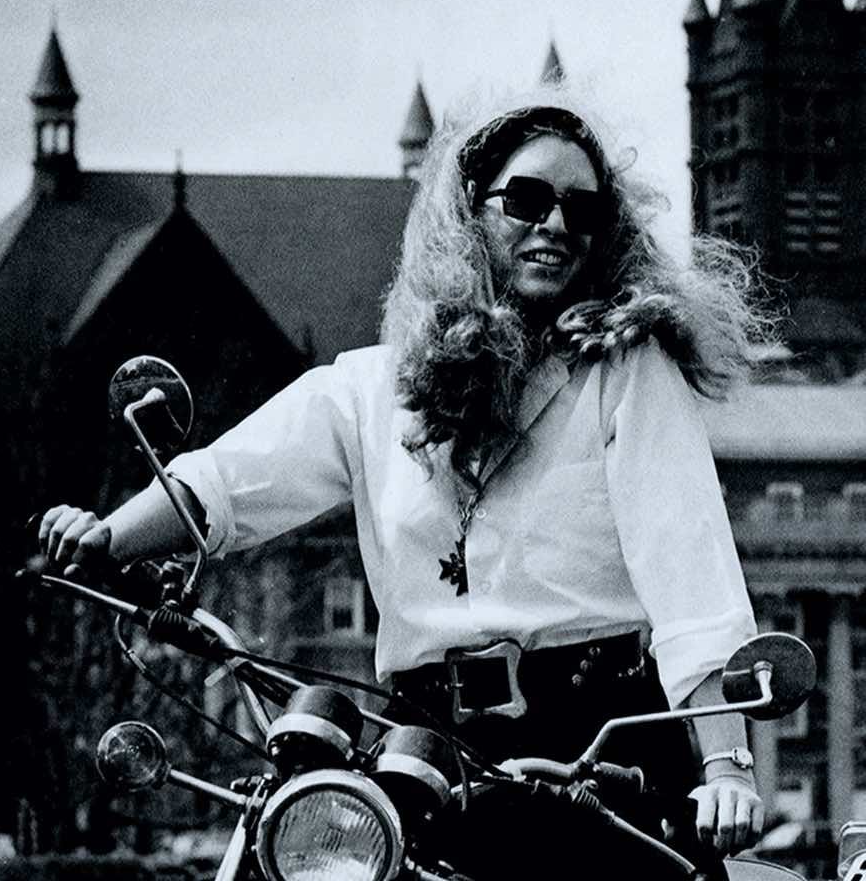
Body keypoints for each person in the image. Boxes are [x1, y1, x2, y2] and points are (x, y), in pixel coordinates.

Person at [39, 89, 767, 872]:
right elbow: (223, 483)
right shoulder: (373, 387)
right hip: (423, 749)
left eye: (581, 211)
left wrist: (725, 765)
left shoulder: (623, 372)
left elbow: (690, 574)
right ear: (466, 213)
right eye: (525, 200)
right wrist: (104, 537)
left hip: (593, 747)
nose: (554, 225)